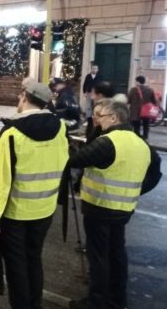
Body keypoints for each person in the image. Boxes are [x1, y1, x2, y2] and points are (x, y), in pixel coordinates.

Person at [67, 100, 160, 309]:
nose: (96, 120)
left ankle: (96, 302)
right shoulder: (141, 142)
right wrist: (136, 190)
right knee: (117, 253)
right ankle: (117, 300)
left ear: (114, 118)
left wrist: (88, 135)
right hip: (123, 209)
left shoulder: (107, 142)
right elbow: (155, 173)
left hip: (100, 207)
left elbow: (75, 160)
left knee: (98, 256)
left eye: (100, 117)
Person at [0, 82, 69, 309]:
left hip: (16, 214)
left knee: (16, 267)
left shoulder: (11, 133)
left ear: (23, 98)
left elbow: (0, 181)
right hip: (45, 210)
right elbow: (63, 163)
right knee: (34, 259)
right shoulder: (60, 128)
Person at [127, 75, 157, 140]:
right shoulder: (150, 90)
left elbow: (129, 100)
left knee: (136, 125)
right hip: (146, 111)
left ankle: (137, 137)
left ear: (137, 82)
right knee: (146, 124)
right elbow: (154, 101)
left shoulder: (133, 90)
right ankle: (145, 137)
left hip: (135, 111)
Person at [82, 65, 103, 129]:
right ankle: (88, 120)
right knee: (88, 106)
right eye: (93, 68)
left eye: (96, 68)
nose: (94, 70)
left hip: (96, 94)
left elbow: (101, 85)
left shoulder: (100, 76)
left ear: (98, 70)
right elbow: (85, 84)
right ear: (91, 69)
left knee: (95, 106)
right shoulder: (88, 76)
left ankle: (95, 120)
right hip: (88, 93)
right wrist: (84, 92)